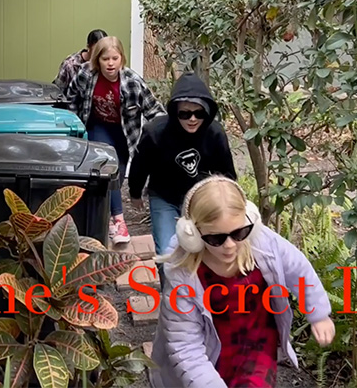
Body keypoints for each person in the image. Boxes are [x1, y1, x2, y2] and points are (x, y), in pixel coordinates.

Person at [150, 176, 336, 388]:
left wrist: (319, 313)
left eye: (239, 233)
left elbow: (299, 269)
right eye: (216, 238)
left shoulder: (264, 244)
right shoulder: (182, 276)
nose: (229, 245)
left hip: (258, 348)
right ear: (191, 234)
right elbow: (185, 347)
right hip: (207, 358)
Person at [128, 73, 236, 284]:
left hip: (200, 201)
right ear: (174, 111)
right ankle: (171, 295)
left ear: (207, 112)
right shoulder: (155, 132)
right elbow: (140, 165)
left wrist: (228, 203)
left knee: (206, 249)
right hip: (165, 196)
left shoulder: (215, 134)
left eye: (198, 113)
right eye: (185, 114)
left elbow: (228, 174)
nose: (192, 119)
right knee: (167, 252)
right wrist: (135, 192)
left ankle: (201, 294)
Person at [66, 36, 164, 244]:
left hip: (124, 133)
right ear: (97, 60)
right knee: (107, 168)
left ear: (121, 59)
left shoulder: (132, 82)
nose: (110, 63)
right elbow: (71, 96)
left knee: (116, 177)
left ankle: (104, 218)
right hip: (97, 127)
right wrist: (74, 122)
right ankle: (119, 222)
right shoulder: (86, 74)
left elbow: (154, 110)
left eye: (114, 58)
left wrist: (164, 132)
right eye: (105, 59)